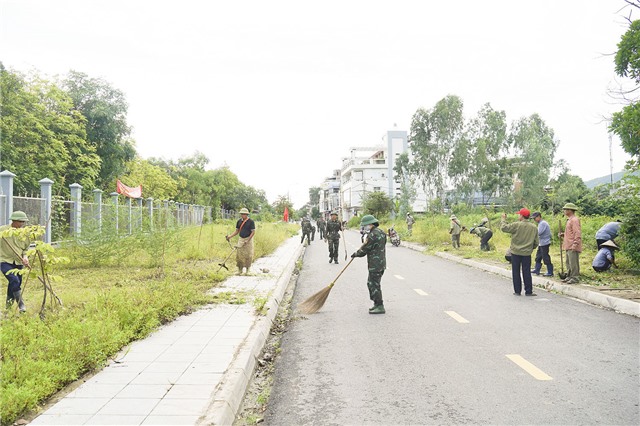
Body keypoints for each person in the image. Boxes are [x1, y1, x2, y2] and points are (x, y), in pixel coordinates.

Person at [351, 214, 387, 314]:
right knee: (373, 283)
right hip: (381, 263)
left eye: (365, 225)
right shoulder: (381, 232)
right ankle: (376, 304)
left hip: (375, 264)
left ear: (370, 224)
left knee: (373, 285)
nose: (365, 227)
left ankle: (379, 306)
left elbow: (365, 250)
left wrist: (355, 254)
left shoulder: (372, 235)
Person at [500, 208, 539, 296]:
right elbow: (536, 242)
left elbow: (504, 228)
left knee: (516, 271)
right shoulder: (533, 227)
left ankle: (517, 291)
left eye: (519, 214)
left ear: (521, 216)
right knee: (527, 272)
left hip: (515, 252)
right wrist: (530, 248)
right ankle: (528, 291)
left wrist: (503, 219)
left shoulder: (516, 225)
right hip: (527, 253)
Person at [1, 211, 31, 312]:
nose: (22, 224)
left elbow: (25, 249)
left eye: (23, 222)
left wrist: (25, 257)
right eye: (20, 221)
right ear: (14, 221)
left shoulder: (25, 234)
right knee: (14, 280)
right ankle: (21, 305)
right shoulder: (3, 230)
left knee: (14, 284)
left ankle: (8, 308)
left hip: (18, 262)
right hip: (4, 260)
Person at [226, 208, 256, 275]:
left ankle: (248, 270)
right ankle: (240, 270)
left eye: (244, 214)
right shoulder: (239, 221)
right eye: (242, 214)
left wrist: (247, 240)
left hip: (249, 239)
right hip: (241, 239)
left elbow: (253, 232)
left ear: (246, 214)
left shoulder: (251, 222)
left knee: (248, 255)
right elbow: (237, 231)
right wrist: (230, 236)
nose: (242, 215)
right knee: (239, 255)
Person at [559, 202, 582, 284]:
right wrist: (563, 234)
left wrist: (575, 243)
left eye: (565, 209)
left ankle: (575, 277)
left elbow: (577, 233)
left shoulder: (575, 220)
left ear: (570, 210)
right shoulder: (569, 220)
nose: (564, 211)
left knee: (573, 263)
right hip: (568, 245)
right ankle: (569, 276)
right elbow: (571, 232)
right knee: (568, 262)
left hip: (572, 245)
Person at [531, 212, 553, 277]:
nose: (534, 220)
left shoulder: (543, 223)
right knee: (538, 257)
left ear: (538, 217)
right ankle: (537, 269)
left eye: (535, 218)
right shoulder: (540, 223)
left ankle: (550, 271)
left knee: (545, 257)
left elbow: (538, 233)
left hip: (545, 243)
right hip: (541, 243)